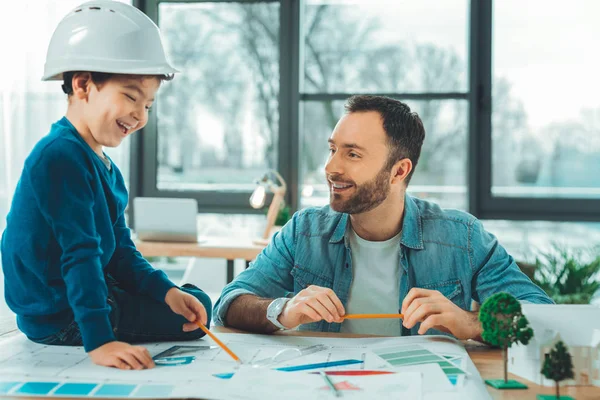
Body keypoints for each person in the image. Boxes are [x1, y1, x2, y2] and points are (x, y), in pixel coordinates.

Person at [214, 95, 553, 339]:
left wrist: (471, 323)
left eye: (353, 154)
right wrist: (282, 310)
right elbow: (229, 303)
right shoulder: (303, 232)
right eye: (333, 149)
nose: (331, 167)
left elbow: (544, 316)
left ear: (398, 171)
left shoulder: (462, 237)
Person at [1, 0, 211, 370]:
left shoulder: (103, 166)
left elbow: (120, 252)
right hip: (59, 316)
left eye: (148, 105)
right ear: (83, 85)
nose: (140, 115)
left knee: (191, 302)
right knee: (197, 317)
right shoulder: (59, 157)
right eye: (131, 97)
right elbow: (80, 255)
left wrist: (166, 290)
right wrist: (101, 343)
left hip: (87, 294)